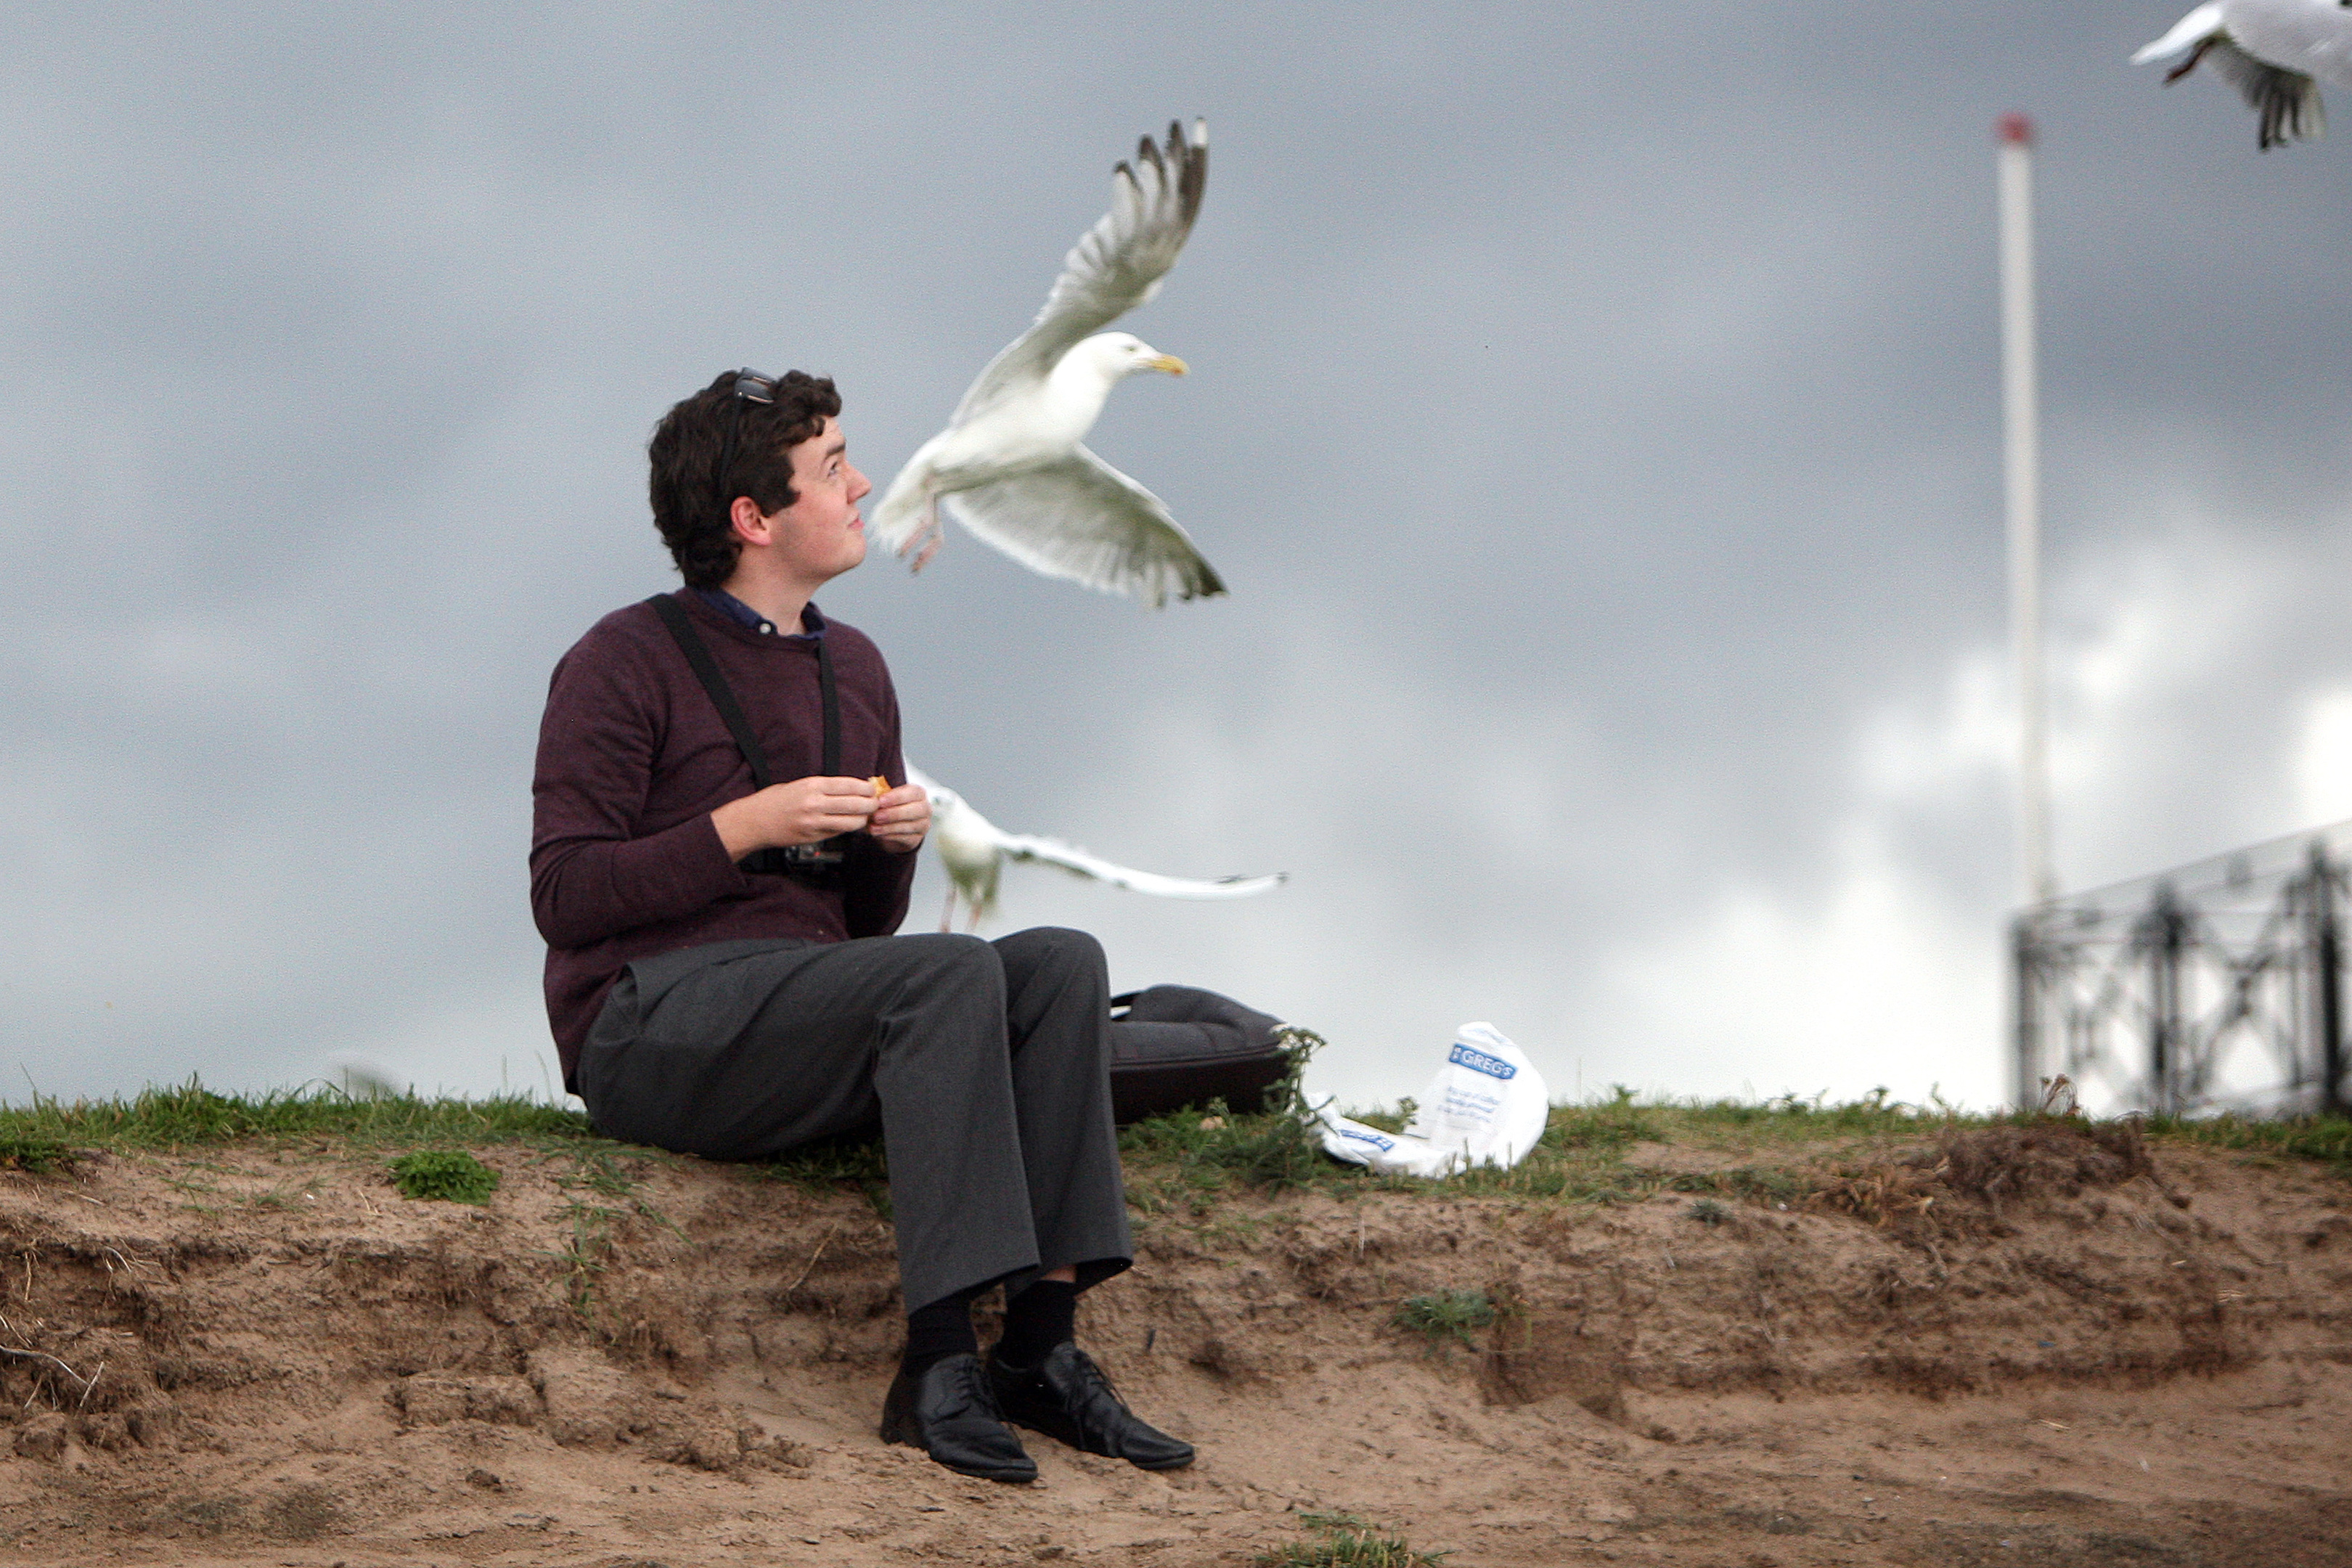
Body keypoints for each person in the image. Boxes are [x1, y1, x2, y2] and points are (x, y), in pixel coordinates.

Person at [528, 367, 1192, 1482]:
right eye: (834, 468)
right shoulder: (621, 659)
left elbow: (864, 938)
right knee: (942, 978)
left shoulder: (859, 667)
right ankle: (936, 1364)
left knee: (1060, 965)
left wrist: (895, 850)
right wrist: (739, 826)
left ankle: (1040, 1346)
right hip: (649, 1028)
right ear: (754, 519)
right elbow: (567, 895)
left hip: (801, 1009)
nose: (865, 484)